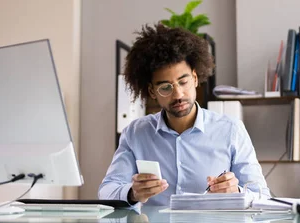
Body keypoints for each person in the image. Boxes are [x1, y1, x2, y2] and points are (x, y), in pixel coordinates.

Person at [98, 23, 270, 206]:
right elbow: (107, 191)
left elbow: (262, 197)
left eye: (183, 82)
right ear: (152, 91)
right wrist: (133, 193)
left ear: (195, 78)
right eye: (165, 87)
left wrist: (236, 192)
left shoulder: (231, 129)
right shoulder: (136, 133)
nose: (178, 94)